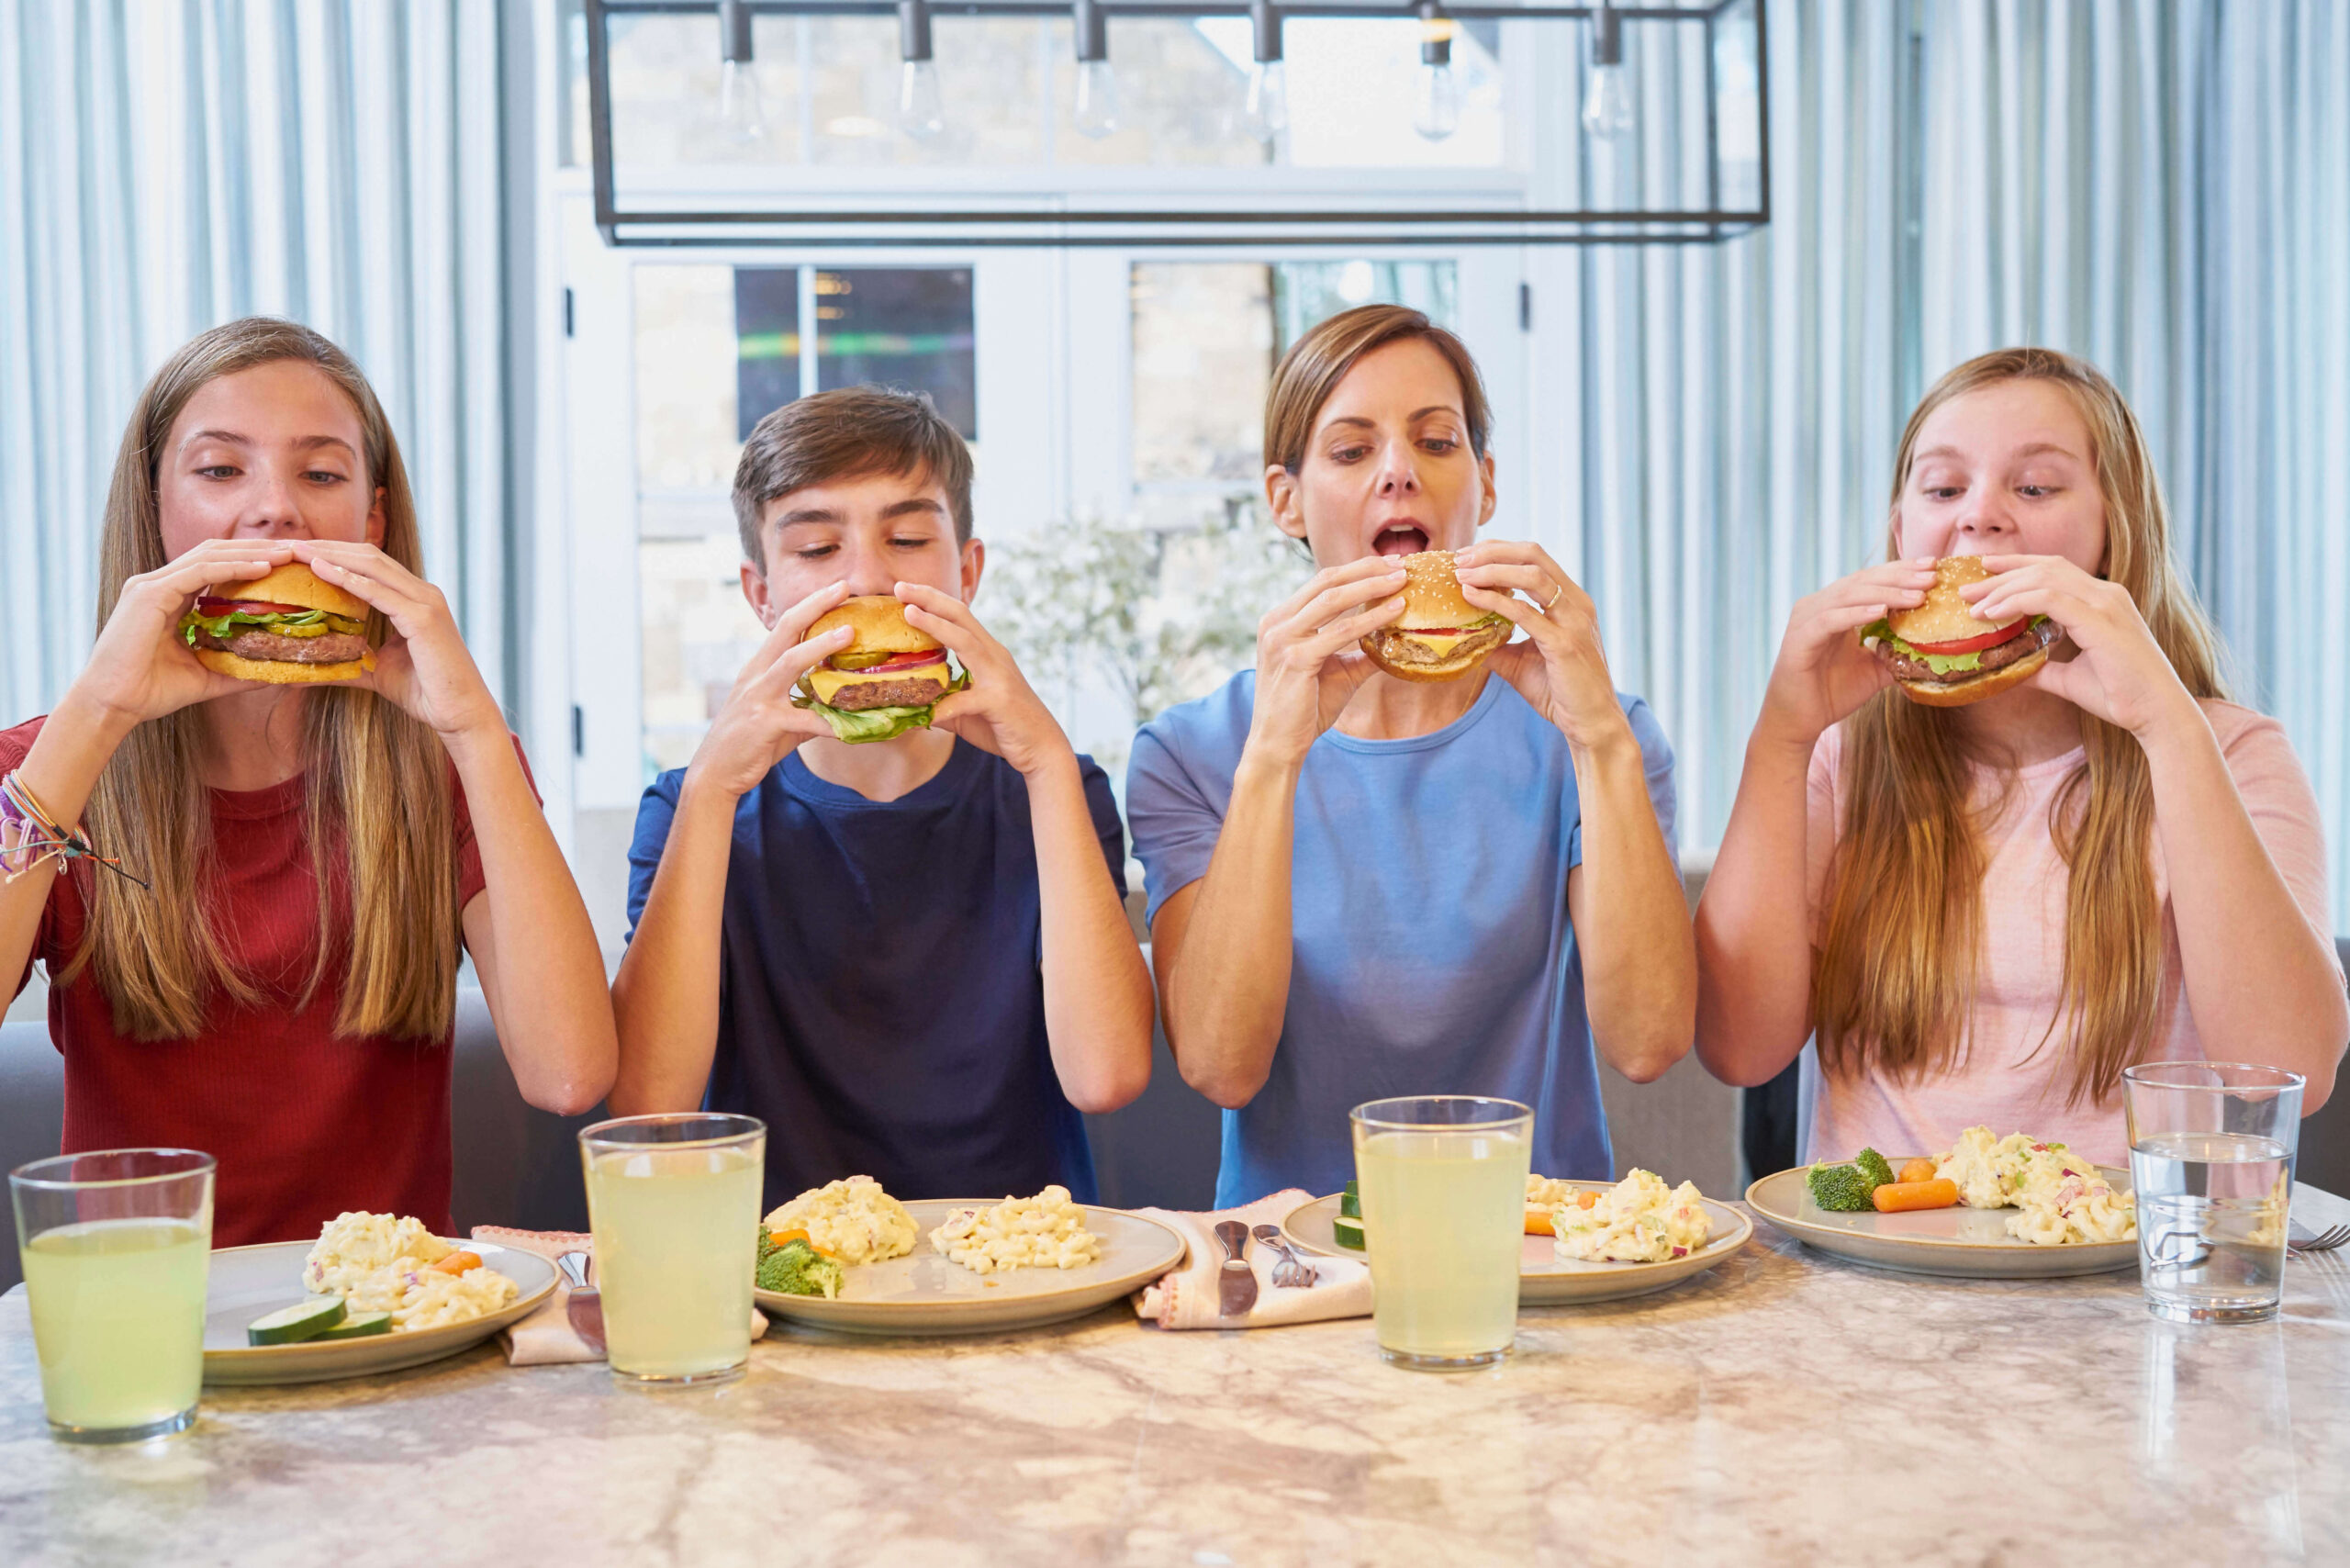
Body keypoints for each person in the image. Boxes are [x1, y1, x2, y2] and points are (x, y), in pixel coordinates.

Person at [0, 318, 616, 1245]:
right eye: (219, 471)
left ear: (370, 522)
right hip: (145, 1328)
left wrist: (476, 728)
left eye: (320, 474)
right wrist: (97, 714)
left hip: (392, 1323)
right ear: (156, 508)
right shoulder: (43, 768)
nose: (275, 510)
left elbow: (569, 1072)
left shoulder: (448, 765)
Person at [1695, 347, 2347, 1164]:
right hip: (1884, 1272)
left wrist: (2169, 728)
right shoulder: (1843, 759)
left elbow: (2288, 1071)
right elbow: (1737, 1050)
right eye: (1942, 489)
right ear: (1903, 533)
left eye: (2035, 487)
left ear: (2115, 533)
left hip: (2122, 1276)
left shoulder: (2232, 753)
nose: (1981, 516)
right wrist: (1781, 738)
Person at [1127, 304, 1694, 1207]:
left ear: (1485, 483)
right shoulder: (1191, 752)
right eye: (1352, 451)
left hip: (1542, 1254)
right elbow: (1220, 1064)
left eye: (1435, 441)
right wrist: (1274, 753)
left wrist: (1598, 739)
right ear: (1285, 498)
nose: (1399, 471)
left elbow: (1649, 1042)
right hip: (1291, 1268)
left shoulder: (1596, 735)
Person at [610, 386, 1152, 1212]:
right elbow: (650, 1107)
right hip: (778, 1276)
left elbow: (1107, 1076)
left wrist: (1041, 759)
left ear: (967, 573)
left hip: (1016, 1265)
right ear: (761, 596)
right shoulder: (692, 807)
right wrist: (716, 787)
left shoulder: (1055, 791)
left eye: (906, 538)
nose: (867, 578)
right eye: (819, 548)